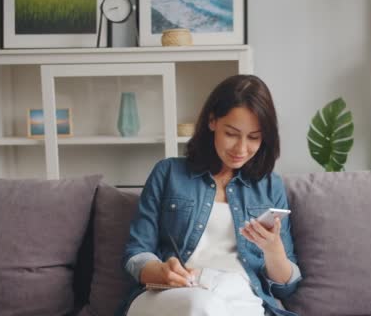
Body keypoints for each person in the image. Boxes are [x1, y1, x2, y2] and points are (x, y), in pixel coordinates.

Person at [122, 75, 301, 316]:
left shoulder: (270, 186)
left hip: (239, 294)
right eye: (232, 133)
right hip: (173, 294)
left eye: (254, 137)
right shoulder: (168, 173)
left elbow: (286, 287)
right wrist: (160, 271)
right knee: (203, 306)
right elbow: (136, 251)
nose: (241, 149)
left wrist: (273, 249)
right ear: (212, 121)